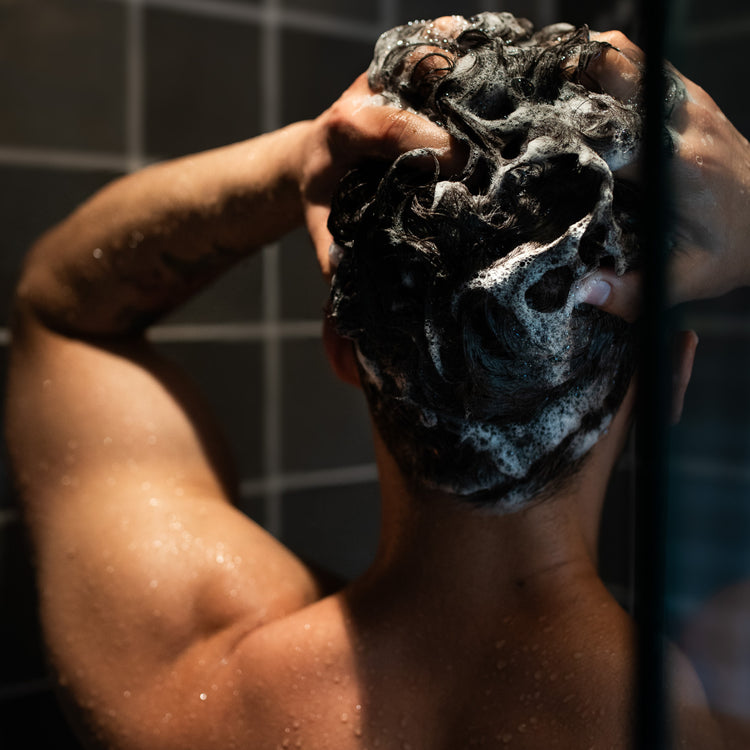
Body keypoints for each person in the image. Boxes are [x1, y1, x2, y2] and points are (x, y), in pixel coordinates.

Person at [5, 13, 749, 749]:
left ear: (342, 347)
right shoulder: (718, 713)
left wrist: (304, 156)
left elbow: (62, 308)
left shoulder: (190, 676)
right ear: (668, 382)